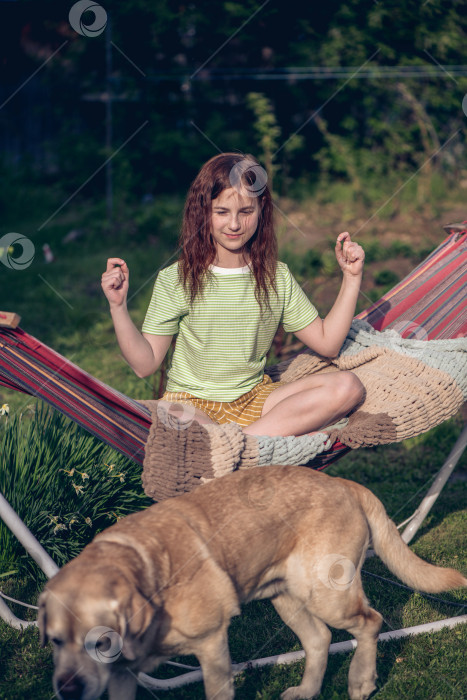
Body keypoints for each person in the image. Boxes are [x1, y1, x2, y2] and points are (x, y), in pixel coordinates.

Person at [101, 152, 365, 438]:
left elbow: (327, 343)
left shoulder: (277, 276)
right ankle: (255, 442)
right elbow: (145, 365)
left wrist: (351, 278)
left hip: (256, 399)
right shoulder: (176, 279)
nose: (235, 225)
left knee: (348, 387)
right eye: (222, 212)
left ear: (261, 208)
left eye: (245, 212)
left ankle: (239, 446)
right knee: (173, 417)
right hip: (191, 404)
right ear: (204, 212)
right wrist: (118, 307)